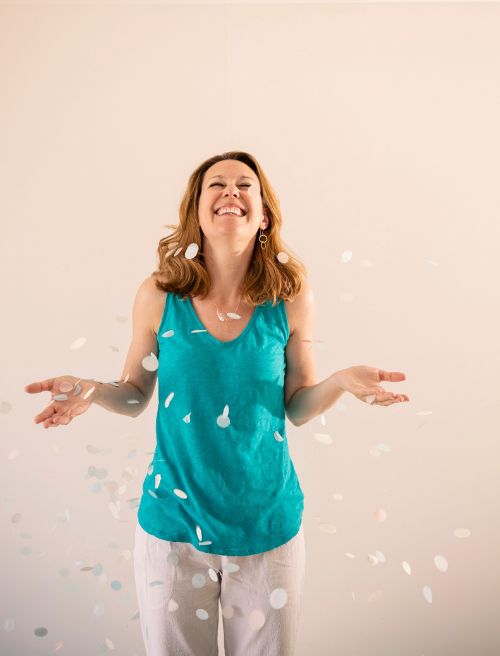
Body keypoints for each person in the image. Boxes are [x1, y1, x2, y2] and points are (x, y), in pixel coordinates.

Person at [25, 151, 410, 656]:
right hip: (172, 530)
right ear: (196, 211)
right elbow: (136, 394)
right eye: (217, 185)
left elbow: (296, 405)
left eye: (244, 184)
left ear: (264, 213)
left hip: (268, 528)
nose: (230, 191)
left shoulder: (292, 299)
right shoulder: (158, 295)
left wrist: (340, 381)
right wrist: (93, 392)